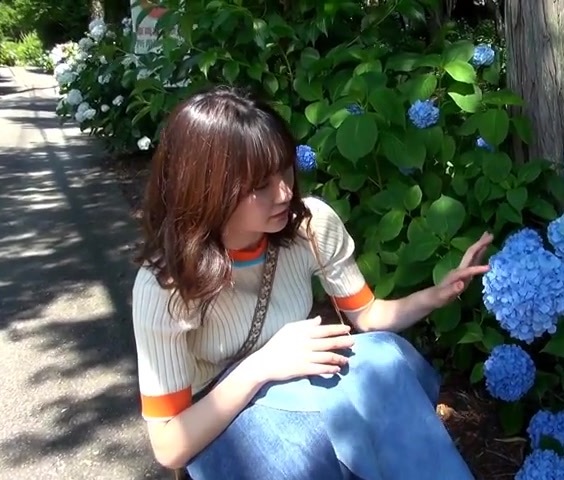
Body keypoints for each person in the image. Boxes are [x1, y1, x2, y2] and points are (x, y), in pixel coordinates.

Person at [130, 85, 494, 480]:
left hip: (299, 373)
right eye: (260, 185)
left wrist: (437, 294)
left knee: (383, 361)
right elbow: (169, 445)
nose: (285, 192)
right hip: (220, 417)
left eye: (285, 169)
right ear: (207, 189)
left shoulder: (310, 225)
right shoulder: (165, 285)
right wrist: (261, 366)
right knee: (311, 447)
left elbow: (368, 315)